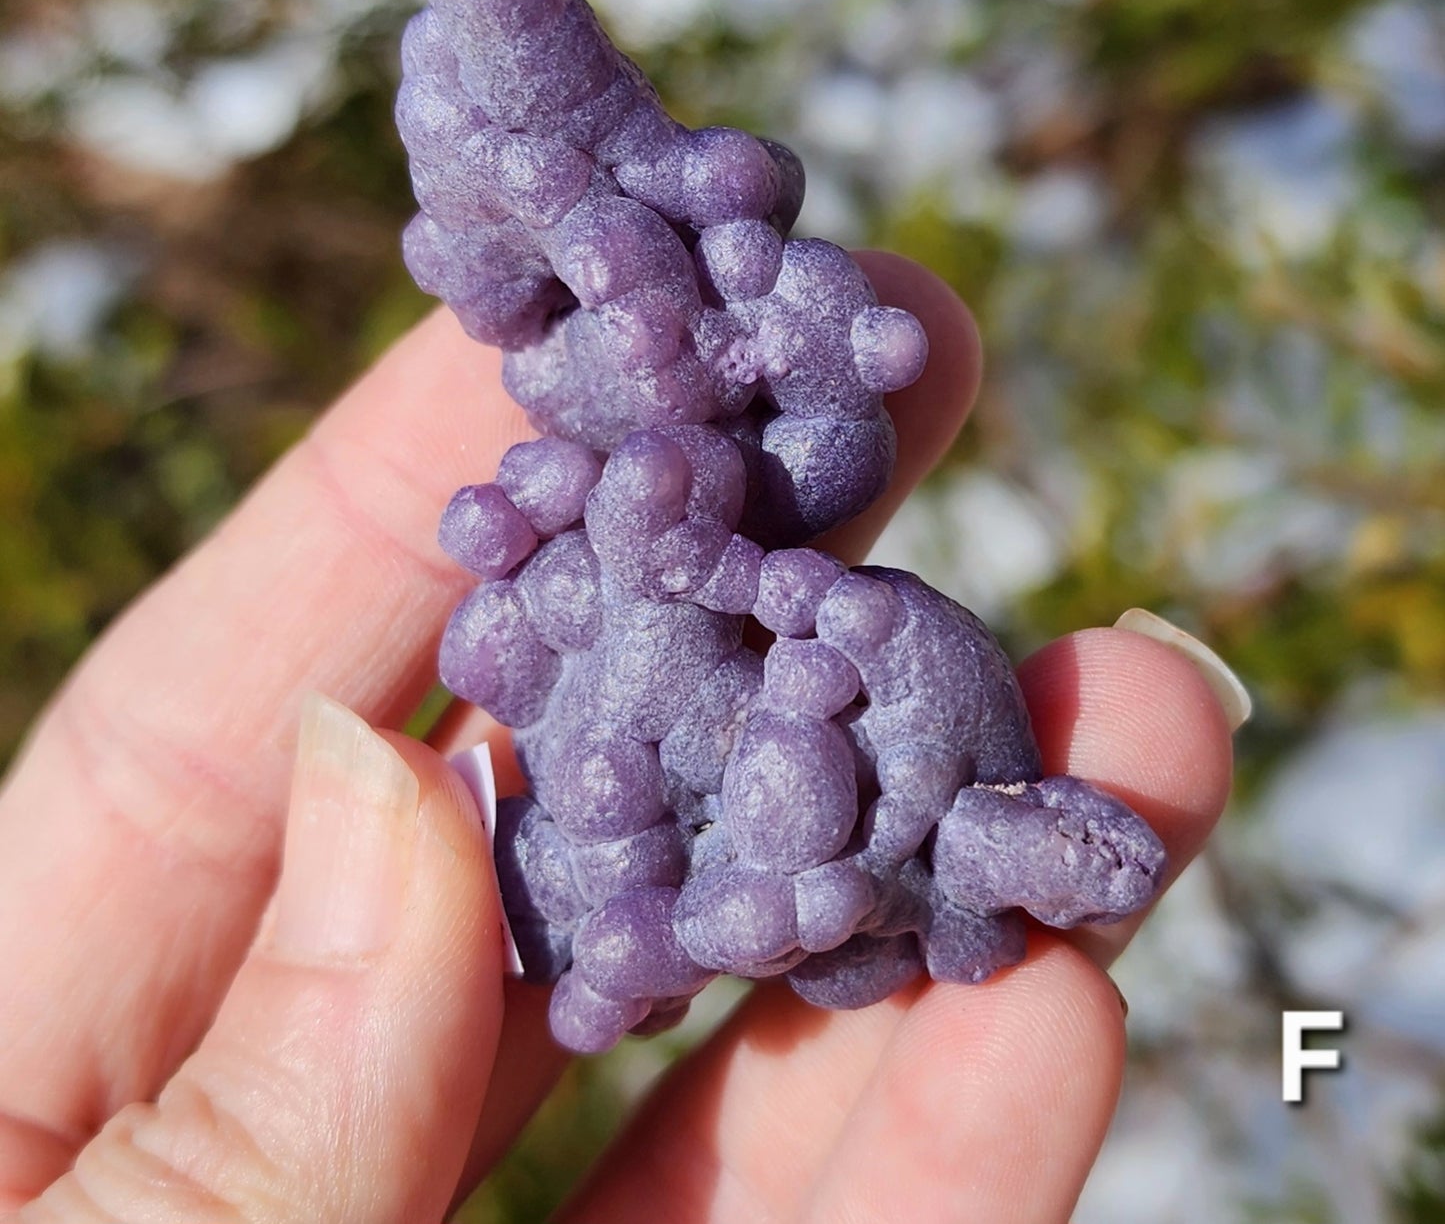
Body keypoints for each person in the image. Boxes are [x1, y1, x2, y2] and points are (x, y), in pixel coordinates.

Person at [0, 251, 1237, 1223]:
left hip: (656, 794)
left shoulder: (921, 848)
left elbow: (806, 852)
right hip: (642, 753)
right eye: (1073, 831)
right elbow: (840, 615)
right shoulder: (911, 717)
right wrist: (744, 595)